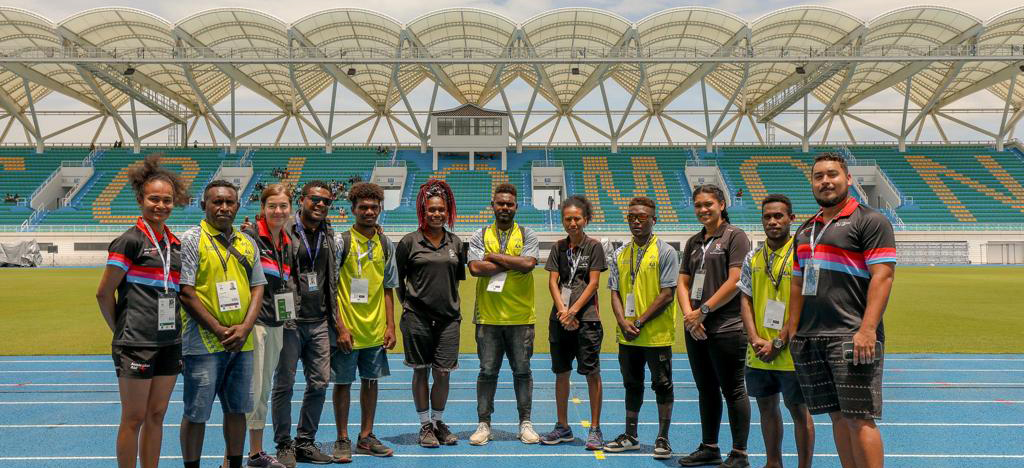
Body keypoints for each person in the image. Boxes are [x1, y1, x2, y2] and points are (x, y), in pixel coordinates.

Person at [785, 153, 896, 468]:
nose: (825, 181)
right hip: (812, 336)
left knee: (860, 417)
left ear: (848, 179)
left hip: (851, 334)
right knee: (836, 415)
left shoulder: (870, 221)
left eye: (832, 174)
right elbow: (797, 283)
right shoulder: (806, 230)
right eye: (818, 176)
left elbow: (883, 276)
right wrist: (794, 330)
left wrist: (868, 330)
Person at [97, 155, 188, 468]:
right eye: (154, 199)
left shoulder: (174, 245)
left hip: (169, 342)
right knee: (133, 417)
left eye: (166, 200)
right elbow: (104, 293)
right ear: (140, 200)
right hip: (136, 343)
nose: (161, 205)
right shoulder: (129, 242)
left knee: (157, 415)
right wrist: (121, 330)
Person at [178, 180, 267, 468]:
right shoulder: (192, 239)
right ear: (204, 205)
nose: (224, 207)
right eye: (217, 202)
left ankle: (235, 465)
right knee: (196, 413)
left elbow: (258, 288)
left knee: (237, 410)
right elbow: (186, 292)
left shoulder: (247, 241)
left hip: (242, 343)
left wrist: (245, 328)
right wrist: (218, 329)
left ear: (238, 206)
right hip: (203, 342)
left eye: (229, 202)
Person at [677, 184, 752, 468]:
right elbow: (683, 282)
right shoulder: (694, 241)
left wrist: (703, 311)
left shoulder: (736, 237)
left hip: (727, 326)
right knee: (706, 389)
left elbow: (735, 281)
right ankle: (710, 446)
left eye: (708, 204)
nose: (703, 210)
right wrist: (690, 315)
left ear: (722, 204)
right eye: (698, 205)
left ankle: (740, 453)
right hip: (695, 327)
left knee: (733, 390)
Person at [737, 194, 815, 468]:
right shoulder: (752, 258)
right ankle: (773, 463)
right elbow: (745, 298)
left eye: (778, 216)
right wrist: (753, 337)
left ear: (791, 219)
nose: (772, 221)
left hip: (792, 352)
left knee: (799, 411)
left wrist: (779, 342)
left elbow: (808, 299)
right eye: (767, 217)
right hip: (758, 351)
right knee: (767, 408)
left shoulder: (804, 255)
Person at [603, 196, 678, 459]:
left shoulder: (666, 251)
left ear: (653, 220)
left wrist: (638, 321)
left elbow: (667, 293)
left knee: (663, 385)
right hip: (628, 336)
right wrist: (623, 322)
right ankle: (631, 436)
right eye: (631, 217)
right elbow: (614, 291)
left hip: (656, 336)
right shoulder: (620, 252)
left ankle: (663, 438)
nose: (636, 221)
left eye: (642, 217)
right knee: (631, 385)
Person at [467, 183, 541, 446]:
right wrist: (513, 261)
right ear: (493, 206)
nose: (505, 207)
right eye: (500, 203)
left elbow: (529, 264)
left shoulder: (528, 233)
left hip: (521, 317)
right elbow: (475, 268)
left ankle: (525, 423)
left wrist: (494, 257)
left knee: (522, 372)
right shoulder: (479, 233)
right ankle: (484, 424)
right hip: (488, 317)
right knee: (487, 372)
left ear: (516, 206)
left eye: (509, 204)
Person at [271, 181, 339, 465]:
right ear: (302, 200)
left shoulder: (328, 231)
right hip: (289, 321)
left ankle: (305, 441)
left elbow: (330, 276)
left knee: (320, 383)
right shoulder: (284, 228)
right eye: (315, 199)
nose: (321, 205)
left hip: (320, 319)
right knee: (284, 383)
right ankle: (284, 444)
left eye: (326, 201)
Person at [330, 182, 398, 461]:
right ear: (353, 210)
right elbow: (330, 289)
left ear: (380, 209)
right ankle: (343, 438)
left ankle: (366, 436)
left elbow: (388, 287)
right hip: (347, 330)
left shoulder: (385, 243)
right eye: (363, 207)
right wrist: (340, 327)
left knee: (371, 382)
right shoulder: (341, 242)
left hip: (375, 329)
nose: (369, 212)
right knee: (343, 383)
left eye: (373, 207)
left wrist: (391, 325)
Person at [395, 179, 466, 448]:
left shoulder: (456, 243)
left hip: (449, 319)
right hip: (417, 318)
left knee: (444, 372)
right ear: (422, 212)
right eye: (431, 210)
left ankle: (438, 422)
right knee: (421, 372)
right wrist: (409, 306)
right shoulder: (408, 242)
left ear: (448, 212)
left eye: (441, 210)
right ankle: (424, 424)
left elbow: (455, 281)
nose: (436, 214)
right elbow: (398, 281)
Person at [540, 195, 606, 450]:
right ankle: (562, 426)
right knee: (561, 373)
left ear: (586, 219)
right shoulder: (558, 247)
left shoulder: (594, 247)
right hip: (560, 320)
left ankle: (595, 429)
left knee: (592, 373)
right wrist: (562, 311)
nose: (572, 223)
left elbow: (594, 283)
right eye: (568, 219)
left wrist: (573, 312)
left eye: (577, 218)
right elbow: (552, 282)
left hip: (587, 320)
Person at [239, 184, 294, 468]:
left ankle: (253, 452)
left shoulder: (286, 240)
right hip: (255, 323)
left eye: (283, 206)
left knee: (263, 388)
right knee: (252, 390)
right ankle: (239, 454)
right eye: (272, 205)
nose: (278, 211)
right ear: (263, 208)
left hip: (276, 322)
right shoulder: (249, 237)